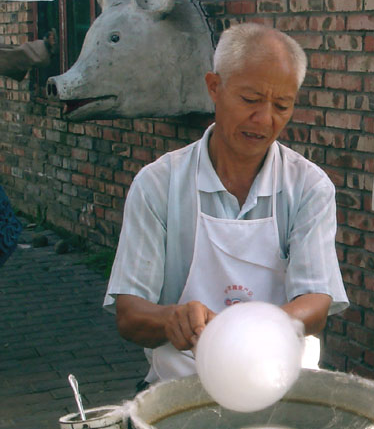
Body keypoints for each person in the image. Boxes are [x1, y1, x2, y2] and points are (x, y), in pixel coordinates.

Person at [104, 23, 348, 384]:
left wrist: (250, 332)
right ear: (214, 88)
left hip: (279, 384)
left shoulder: (309, 187)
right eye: (250, 100)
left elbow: (315, 302)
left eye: (282, 105)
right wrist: (172, 318)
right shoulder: (159, 184)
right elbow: (129, 313)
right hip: (181, 390)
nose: (265, 120)